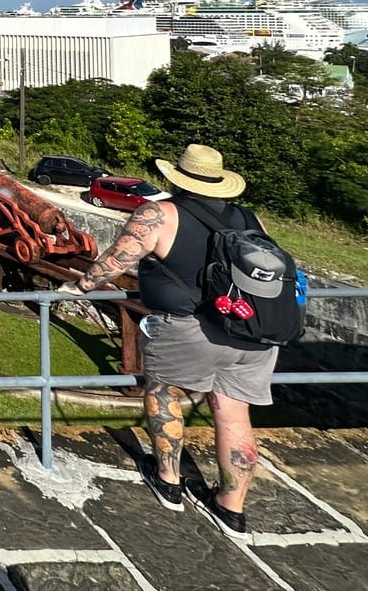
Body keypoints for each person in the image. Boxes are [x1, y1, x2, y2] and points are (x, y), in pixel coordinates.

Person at [58, 144, 277, 541]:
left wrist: (80, 285)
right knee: (233, 415)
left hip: (188, 327)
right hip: (249, 331)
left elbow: (116, 260)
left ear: (177, 177)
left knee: (164, 394)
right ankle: (232, 511)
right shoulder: (250, 218)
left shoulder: (160, 213)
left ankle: (169, 481)